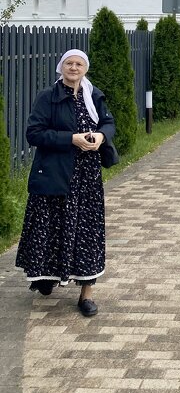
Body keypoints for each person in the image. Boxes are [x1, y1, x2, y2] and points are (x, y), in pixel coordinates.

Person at [15, 49, 116, 317]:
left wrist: (101, 137)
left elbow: (108, 122)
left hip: (87, 179)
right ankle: (46, 276)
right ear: (62, 67)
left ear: (85, 68)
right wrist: (71, 139)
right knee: (50, 227)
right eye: (69, 63)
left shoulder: (93, 95)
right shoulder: (48, 97)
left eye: (79, 64)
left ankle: (86, 294)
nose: (74, 68)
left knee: (87, 233)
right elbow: (33, 133)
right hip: (55, 174)